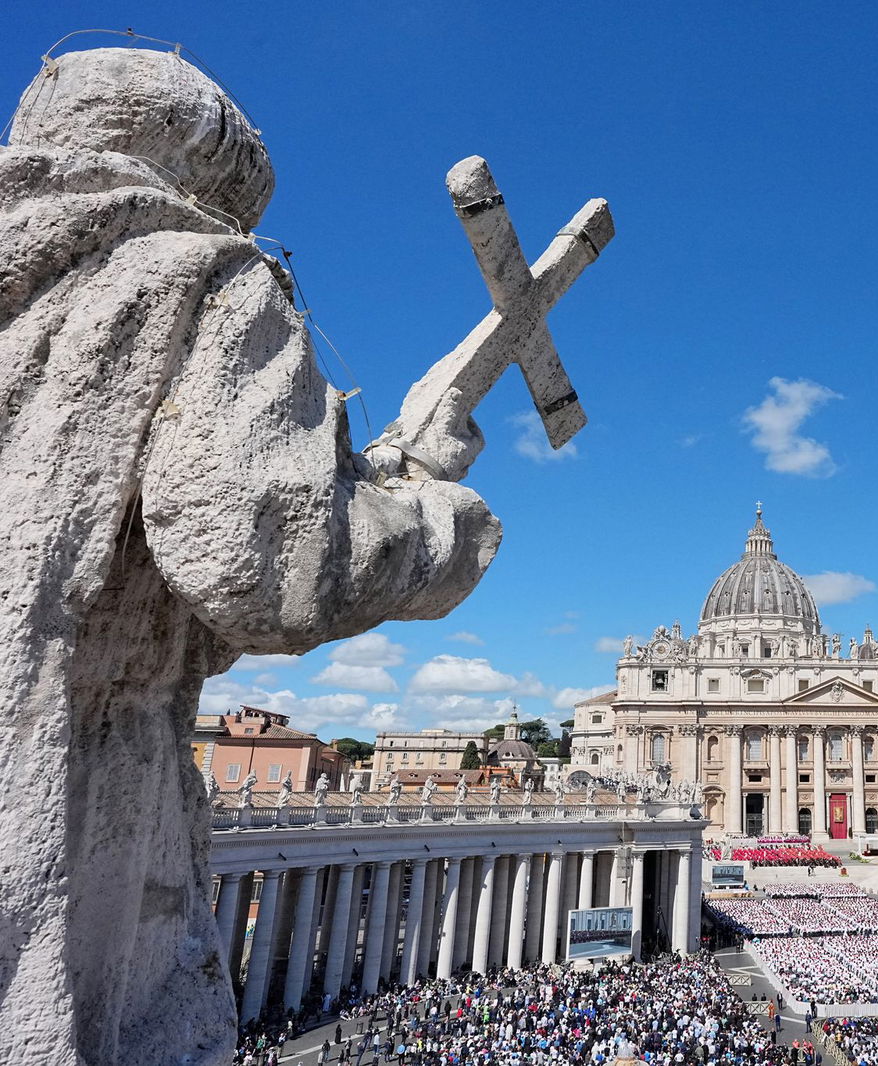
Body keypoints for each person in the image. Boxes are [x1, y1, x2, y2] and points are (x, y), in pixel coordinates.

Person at [0, 45, 502, 1066]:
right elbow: (267, 570)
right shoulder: (191, 267)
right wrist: (439, 511)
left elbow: (157, 595)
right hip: (56, 784)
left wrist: (383, 460)